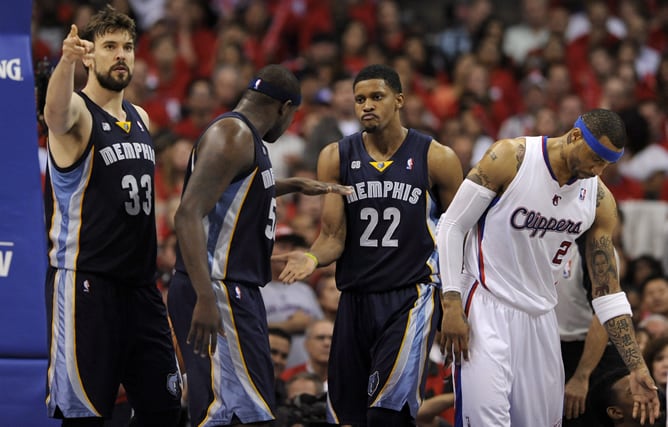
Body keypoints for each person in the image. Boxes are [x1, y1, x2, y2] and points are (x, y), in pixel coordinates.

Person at [436, 108, 660, 426]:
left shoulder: (598, 199)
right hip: (486, 305)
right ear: (575, 135)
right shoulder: (510, 157)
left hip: (542, 318)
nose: (597, 169)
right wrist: (451, 301)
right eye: (594, 157)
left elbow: (607, 291)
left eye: (606, 164)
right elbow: (452, 226)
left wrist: (637, 366)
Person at [278, 64, 464, 426]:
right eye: (359, 99)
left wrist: (453, 303)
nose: (366, 105)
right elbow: (333, 237)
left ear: (399, 100)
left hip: (410, 298)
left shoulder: (436, 157)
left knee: (387, 415)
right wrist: (313, 257)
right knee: (348, 415)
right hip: (355, 299)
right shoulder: (336, 156)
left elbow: (458, 235)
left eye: (376, 97)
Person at [166, 64, 352, 427]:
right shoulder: (233, 134)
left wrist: (293, 184)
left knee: (245, 409)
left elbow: (235, 185)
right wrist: (205, 297)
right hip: (217, 288)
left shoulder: (244, 139)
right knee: (229, 412)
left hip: (231, 288)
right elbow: (187, 213)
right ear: (285, 107)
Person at [42, 6, 182, 426]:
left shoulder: (139, 117)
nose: (121, 55)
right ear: (90, 56)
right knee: (85, 415)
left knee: (165, 408)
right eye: (109, 47)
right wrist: (65, 61)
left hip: (140, 285)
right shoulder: (78, 115)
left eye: (127, 47)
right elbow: (55, 113)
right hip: (88, 283)